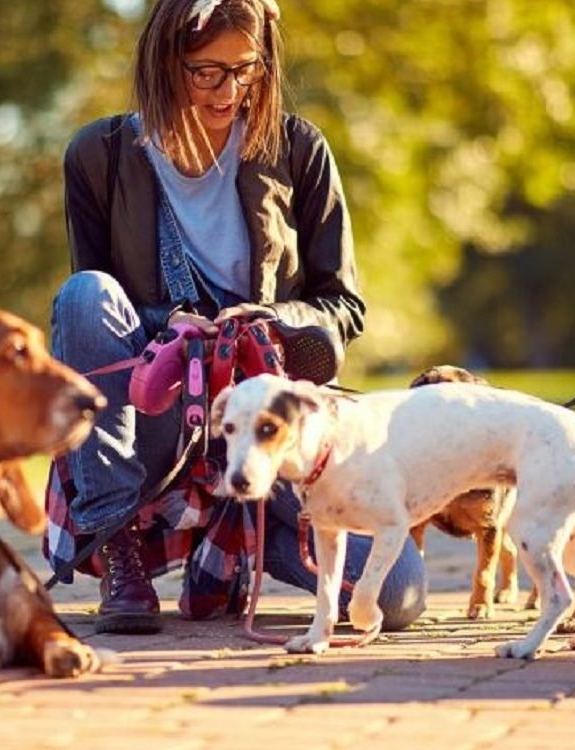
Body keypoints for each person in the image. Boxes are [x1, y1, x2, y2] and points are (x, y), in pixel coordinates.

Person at [45, 0, 426, 635]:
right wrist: (174, 328)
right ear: (165, 63)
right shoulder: (98, 155)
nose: (230, 91)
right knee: (82, 294)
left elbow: (344, 306)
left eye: (246, 70)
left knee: (396, 599)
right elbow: (96, 322)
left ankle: (240, 554)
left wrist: (271, 320)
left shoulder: (300, 147)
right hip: (157, 412)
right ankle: (119, 544)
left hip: (267, 425)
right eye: (206, 72)